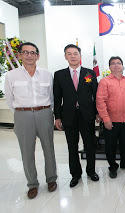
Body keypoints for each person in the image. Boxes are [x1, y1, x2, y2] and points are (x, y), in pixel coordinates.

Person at [5, 42, 57, 199]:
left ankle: (51, 179)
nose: (29, 55)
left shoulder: (47, 74)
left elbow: (52, 97)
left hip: (44, 113)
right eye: (25, 52)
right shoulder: (11, 76)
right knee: (27, 151)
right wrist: (22, 113)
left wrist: (47, 111)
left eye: (32, 53)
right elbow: (9, 98)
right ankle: (32, 184)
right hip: (23, 115)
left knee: (49, 148)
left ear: (38, 56)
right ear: (20, 55)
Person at [53, 44, 100, 188]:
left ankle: (91, 171)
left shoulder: (89, 73)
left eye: (75, 53)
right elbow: (56, 98)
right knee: (72, 146)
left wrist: (98, 112)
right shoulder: (59, 74)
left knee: (90, 145)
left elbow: (96, 95)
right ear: (65, 56)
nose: (73, 56)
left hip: (87, 115)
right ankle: (75, 174)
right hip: (68, 116)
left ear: (80, 56)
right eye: (69, 54)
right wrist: (58, 117)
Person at [96, 56, 125, 179]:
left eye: (119, 63)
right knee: (111, 146)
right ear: (109, 67)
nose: (116, 65)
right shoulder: (104, 81)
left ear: (123, 66)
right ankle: (112, 167)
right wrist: (106, 119)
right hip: (111, 121)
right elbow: (100, 101)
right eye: (113, 63)